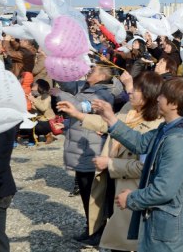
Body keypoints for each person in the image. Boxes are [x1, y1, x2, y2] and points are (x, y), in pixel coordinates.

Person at [90, 77, 183, 252]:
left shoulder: (178, 141)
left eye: (162, 95)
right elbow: (140, 143)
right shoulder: (167, 129)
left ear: (174, 104)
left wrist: (131, 199)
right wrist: (110, 119)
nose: (157, 98)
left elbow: (164, 189)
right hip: (165, 224)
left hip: (173, 233)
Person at [58, 71, 163, 250]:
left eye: (136, 89)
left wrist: (111, 164)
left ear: (149, 95)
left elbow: (147, 167)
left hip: (134, 188)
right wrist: (77, 114)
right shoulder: (128, 109)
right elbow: (110, 124)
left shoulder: (156, 124)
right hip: (114, 181)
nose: (130, 92)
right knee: (116, 231)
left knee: (132, 238)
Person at [52, 64, 115, 244]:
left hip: (90, 149)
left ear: (102, 76)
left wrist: (59, 94)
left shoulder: (103, 94)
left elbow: (79, 107)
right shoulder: (85, 86)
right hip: (81, 149)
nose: (89, 72)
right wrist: (57, 67)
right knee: (86, 191)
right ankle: (92, 227)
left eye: (93, 71)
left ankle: (98, 231)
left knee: (93, 194)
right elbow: (68, 84)